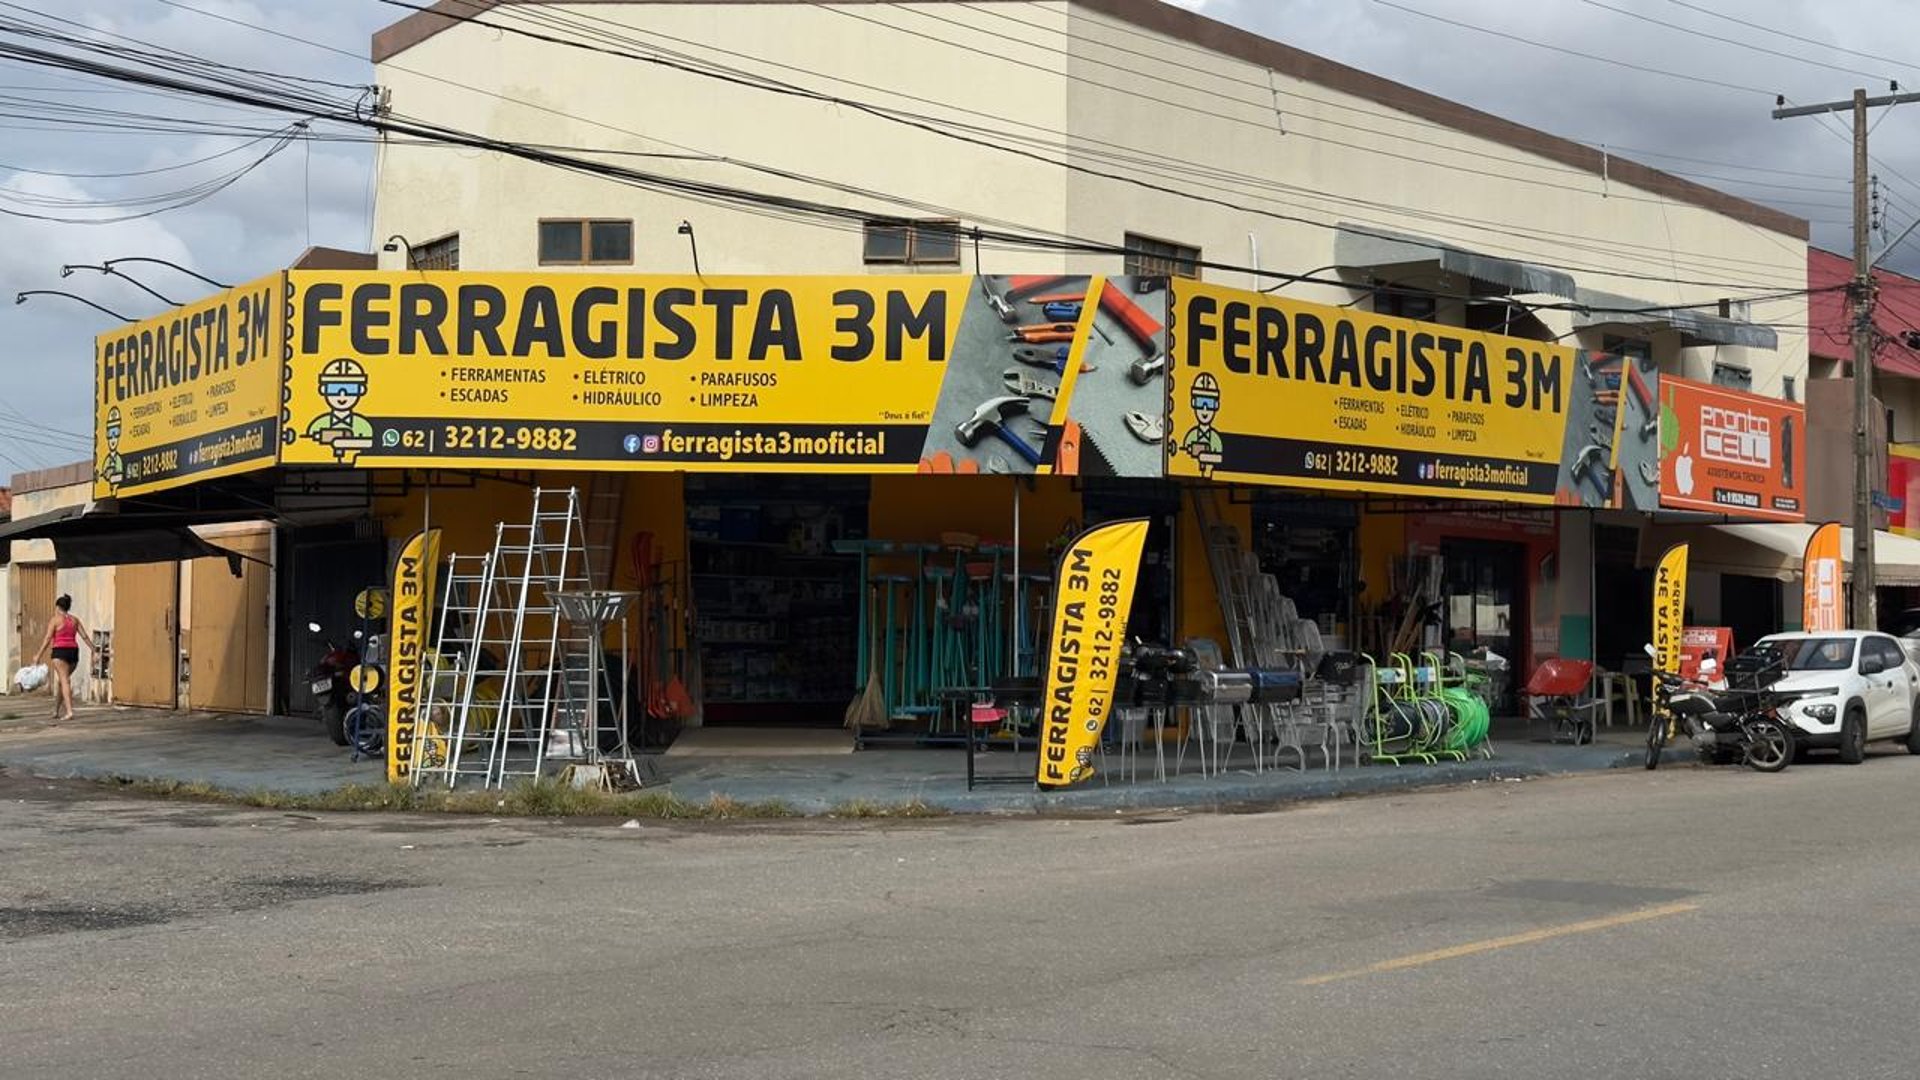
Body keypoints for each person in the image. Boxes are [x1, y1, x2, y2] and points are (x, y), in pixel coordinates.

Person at [33, 594, 94, 722]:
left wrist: (38, 655)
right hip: (73, 653)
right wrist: (94, 650)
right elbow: (84, 636)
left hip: (60, 652)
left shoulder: (55, 620)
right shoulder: (74, 620)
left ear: (58, 607)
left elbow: (48, 638)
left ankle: (70, 711)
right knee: (62, 681)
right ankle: (55, 710)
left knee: (65, 681)